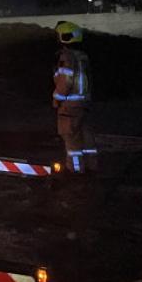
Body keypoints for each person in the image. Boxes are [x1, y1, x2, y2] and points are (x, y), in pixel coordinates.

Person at [53, 21, 98, 173]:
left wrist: (57, 99)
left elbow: (65, 82)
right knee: (86, 137)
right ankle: (92, 166)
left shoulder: (66, 58)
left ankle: (76, 170)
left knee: (72, 139)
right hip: (84, 104)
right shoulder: (83, 57)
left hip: (69, 106)